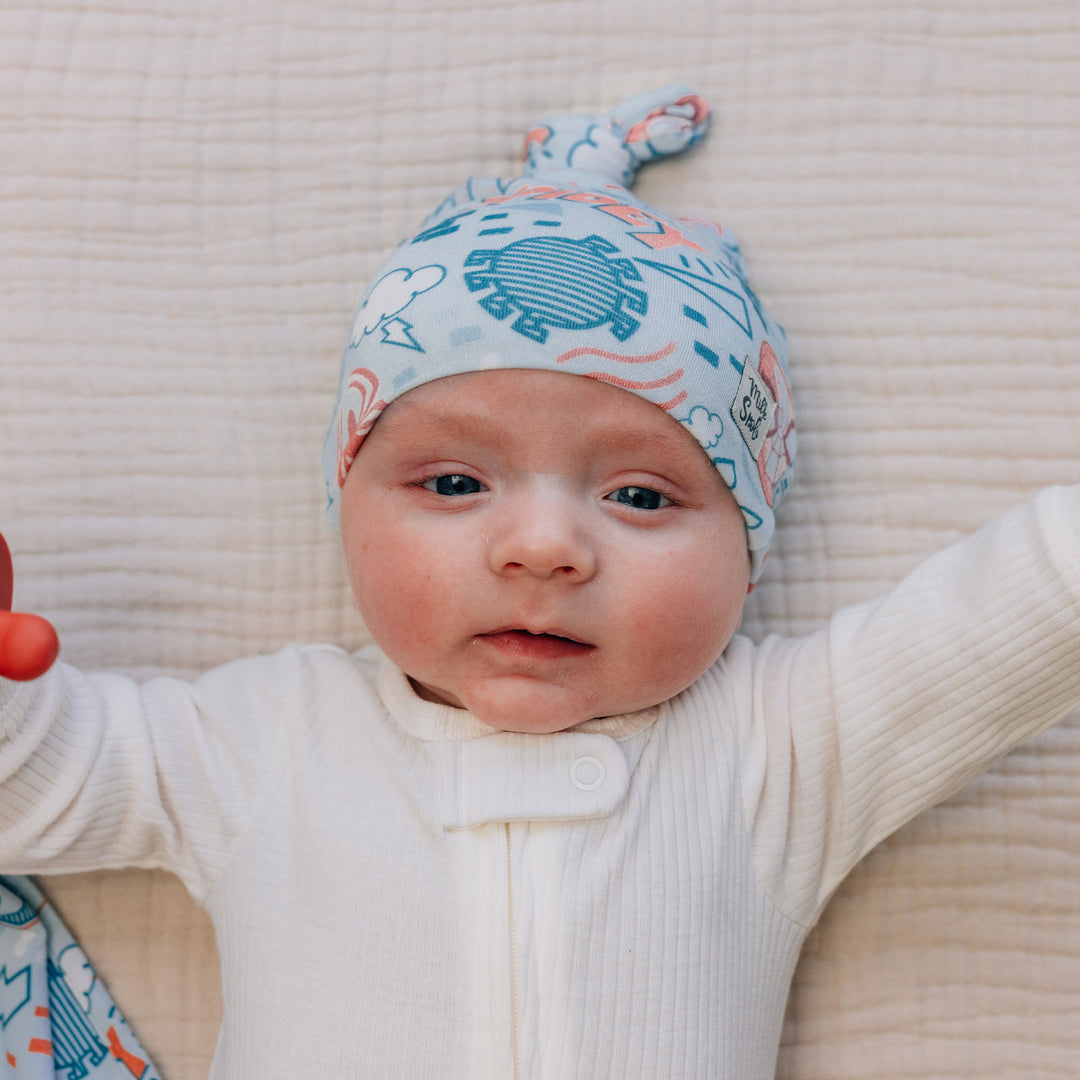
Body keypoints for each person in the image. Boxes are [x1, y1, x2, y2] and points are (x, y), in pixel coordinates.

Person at [1, 87, 1077, 1080]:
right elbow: (34, 793)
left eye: (644, 499)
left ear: (746, 553)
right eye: (458, 480)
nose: (544, 548)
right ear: (347, 506)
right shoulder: (260, 738)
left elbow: (1018, 611)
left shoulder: (777, 749)